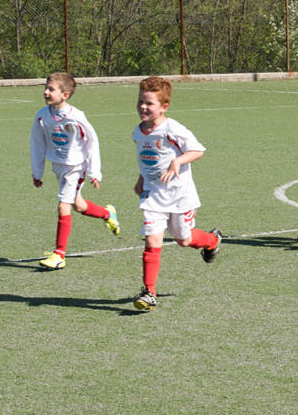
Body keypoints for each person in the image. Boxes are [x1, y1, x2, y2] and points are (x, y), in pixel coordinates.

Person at [131, 76, 221, 312]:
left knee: (184, 240)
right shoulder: (138, 132)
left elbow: (197, 150)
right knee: (152, 240)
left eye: (149, 103)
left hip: (180, 195)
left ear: (164, 106)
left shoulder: (171, 129)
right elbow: (147, 160)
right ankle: (149, 292)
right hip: (153, 196)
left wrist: (177, 162)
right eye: (141, 101)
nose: (143, 107)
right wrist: (141, 179)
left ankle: (212, 241)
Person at [30, 72, 119, 271]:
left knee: (64, 206)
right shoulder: (42, 115)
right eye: (46, 87)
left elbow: (92, 143)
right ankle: (107, 214)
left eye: (51, 89)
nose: (46, 92)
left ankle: (59, 254)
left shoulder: (76, 117)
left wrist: (94, 173)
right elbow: (37, 143)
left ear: (65, 95)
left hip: (76, 168)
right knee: (79, 205)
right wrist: (37, 172)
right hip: (58, 166)